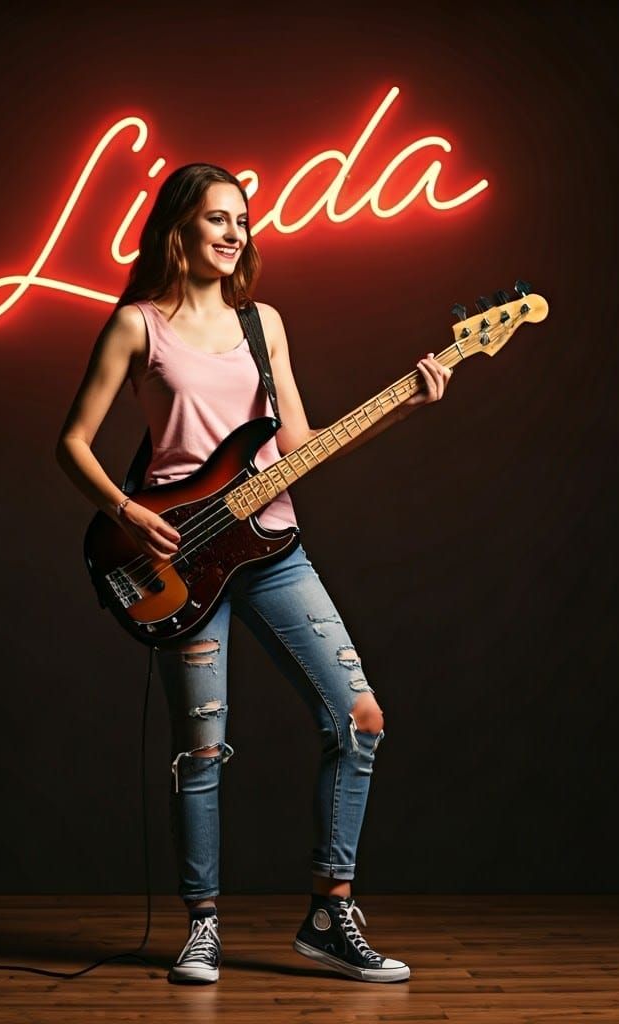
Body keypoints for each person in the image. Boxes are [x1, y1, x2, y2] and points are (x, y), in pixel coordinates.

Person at [56, 163, 451, 985]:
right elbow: (73, 443)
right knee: (200, 752)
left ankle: (329, 914)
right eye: (217, 219)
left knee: (361, 720)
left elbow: (299, 446)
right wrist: (129, 514)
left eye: (243, 219)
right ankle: (202, 927)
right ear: (178, 228)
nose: (236, 233)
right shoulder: (137, 327)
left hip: (274, 551)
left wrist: (404, 403)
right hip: (173, 558)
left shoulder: (262, 321)